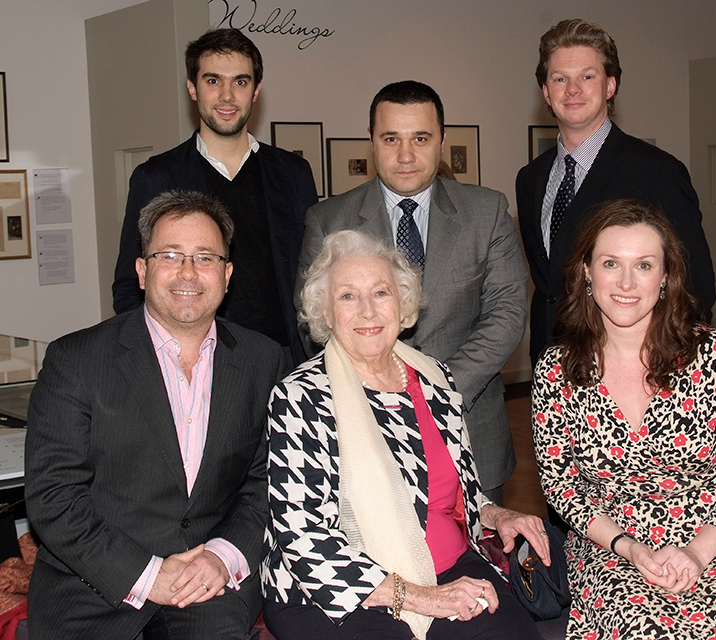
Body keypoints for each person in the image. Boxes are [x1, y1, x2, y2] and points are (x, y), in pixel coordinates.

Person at [262, 230, 550, 640]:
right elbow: (305, 536)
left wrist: (493, 513)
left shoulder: (434, 378)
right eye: (347, 296)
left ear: (403, 304)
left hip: (447, 564)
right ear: (325, 314)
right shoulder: (300, 397)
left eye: (380, 293)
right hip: (332, 591)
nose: (367, 311)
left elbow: (453, 489)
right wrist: (421, 597)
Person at [26, 191, 287, 639]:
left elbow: (268, 481)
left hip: (207, 586)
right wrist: (148, 575)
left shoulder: (264, 361)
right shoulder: (76, 360)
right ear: (143, 271)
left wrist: (224, 556)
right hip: (94, 589)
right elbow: (54, 497)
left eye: (205, 257)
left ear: (226, 275)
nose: (188, 272)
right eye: (170, 255)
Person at [531, 199, 716, 639]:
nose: (626, 282)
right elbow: (561, 486)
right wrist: (628, 548)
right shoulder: (557, 370)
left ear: (666, 277)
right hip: (611, 545)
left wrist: (698, 553)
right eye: (611, 263)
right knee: (640, 630)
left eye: (644, 265)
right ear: (587, 272)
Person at [296, 81, 528, 503]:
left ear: (441, 140)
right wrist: (381, 393)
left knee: (481, 561)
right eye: (391, 139)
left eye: (420, 138)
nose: (406, 155)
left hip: (470, 425)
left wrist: (439, 388)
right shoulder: (328, 219)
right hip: (364, 426)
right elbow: (315, 325)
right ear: (372, 142)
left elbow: (507, 312)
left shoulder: (487, 211)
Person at [516, 18, 716, 366]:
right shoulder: (530, 178)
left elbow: (696, 288)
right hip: (552, 367)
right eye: (560, 79)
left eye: (587, 76)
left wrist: (668, 368)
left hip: (633, 369)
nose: (573, 89)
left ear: (610, 85)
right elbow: (549, 288)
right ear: (546, 92)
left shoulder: (658, 172)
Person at [113, 28, 317, 366]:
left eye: (240, 82)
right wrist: (156, 362)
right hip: (195, 360)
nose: (226, 96)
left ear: (256, 90)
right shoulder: (156, 177)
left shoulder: (293, 173)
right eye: (212, 81)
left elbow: (314, 274)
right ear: (192, 88)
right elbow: (129, 285)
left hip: (285, 360)